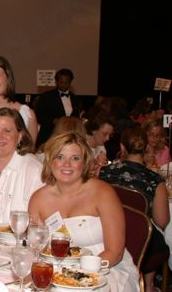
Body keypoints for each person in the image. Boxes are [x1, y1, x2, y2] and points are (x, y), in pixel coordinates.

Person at [28, 131, 139, 292]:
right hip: (57, 272)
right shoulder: (38, 199)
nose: (67, 164)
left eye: (75, 158)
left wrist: (75, 275)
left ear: (84, 162)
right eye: (60, 157)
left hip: (105, 270)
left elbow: (115, 252)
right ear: (50, 160)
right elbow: (37, 249)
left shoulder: (102, 193)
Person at [99, 127, 170, 292]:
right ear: (145, 148)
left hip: (106, 234)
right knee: (155, 234)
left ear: (122, 147)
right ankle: (150, 285)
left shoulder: (104, 173)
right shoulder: (155, 180)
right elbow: (162, 220)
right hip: (140, 239)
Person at [34, 68, 83, 148]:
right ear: (56, 82)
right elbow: (38, 115)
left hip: (70, 139)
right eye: (61, 82)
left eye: (66, 82)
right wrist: (53, 120)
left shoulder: (75, 99)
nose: (63, 85)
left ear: (70, 82)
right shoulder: (46, 97)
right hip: (50, 137)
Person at [84, 108, 115, 176]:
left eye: (110, 135)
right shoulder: (81, 146)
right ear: (93, 130)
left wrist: (105, 163)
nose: (107, 138)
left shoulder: (101, 147)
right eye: (104, 134)